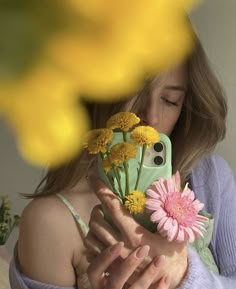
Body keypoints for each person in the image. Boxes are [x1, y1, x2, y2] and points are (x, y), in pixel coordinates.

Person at [9, 30, 236, 289]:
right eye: (135, 91)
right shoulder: (49, 222)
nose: (150, 116)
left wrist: (184, 275)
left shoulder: (210, 178)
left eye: (170, 100)